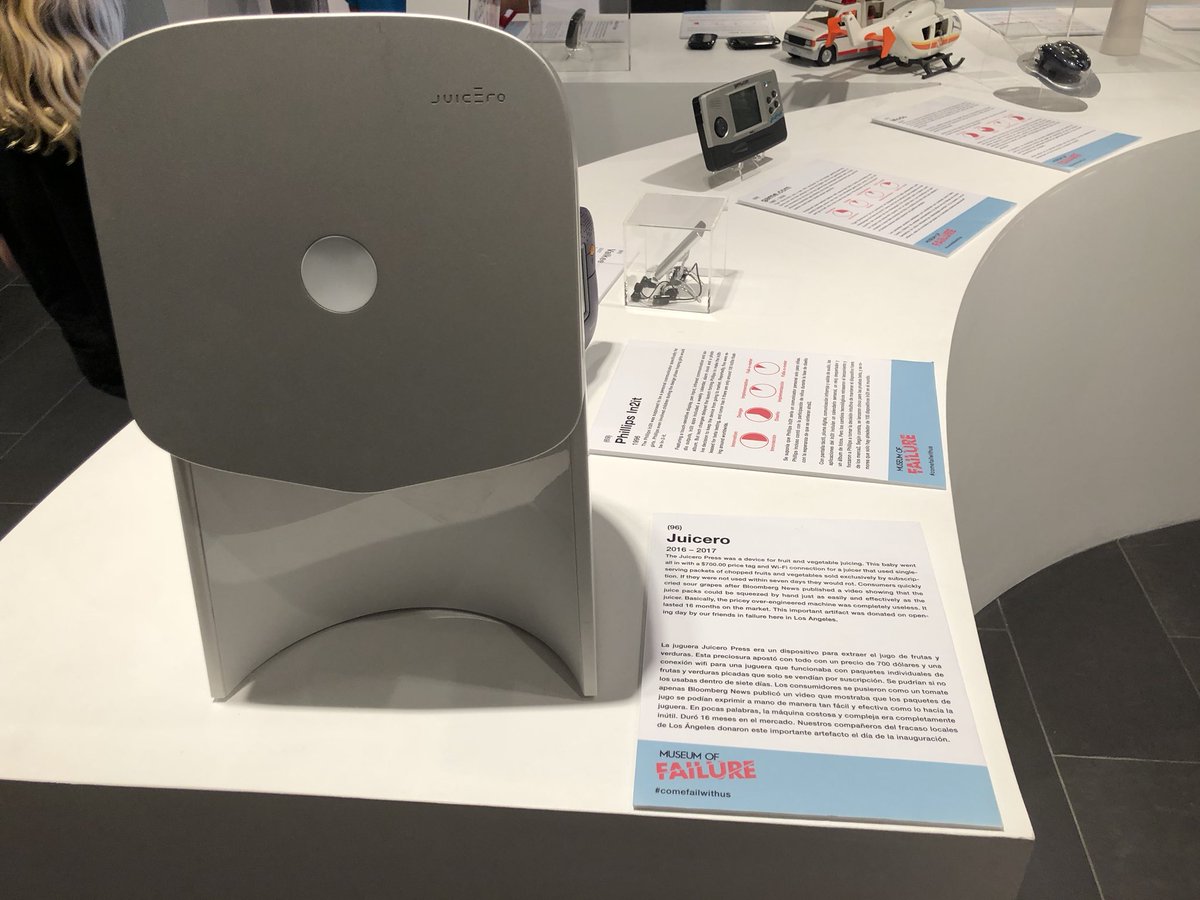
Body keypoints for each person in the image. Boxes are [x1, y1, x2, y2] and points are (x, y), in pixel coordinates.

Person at [0, 0, 126, 397]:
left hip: (99, 348)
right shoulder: (125, 130)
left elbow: (12, 259)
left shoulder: (9, 146)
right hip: (188, 334)